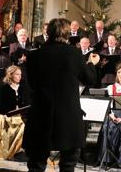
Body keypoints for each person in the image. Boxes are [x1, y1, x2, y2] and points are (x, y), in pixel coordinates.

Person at [23, 18, 100, 172]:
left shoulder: (34, 56)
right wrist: (91, 64)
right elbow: (89, 80)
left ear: (48, 32)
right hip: (68, 116)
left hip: (41, 114)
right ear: (66, 34)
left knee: (36, 165)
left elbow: (31, 84)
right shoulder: (74, 53)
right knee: (68, 165)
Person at [0, 65, 28, 160]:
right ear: (11, 75)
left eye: (20, 74)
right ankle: (15, 151)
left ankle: (22, 150)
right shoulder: (3, 88)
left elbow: (24, 103)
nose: (20, 76)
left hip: (18, 114)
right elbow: (0, 107)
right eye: (17, 74)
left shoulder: (22, 87)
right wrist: (12, 112)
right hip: (5, 115)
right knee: (22, 125)